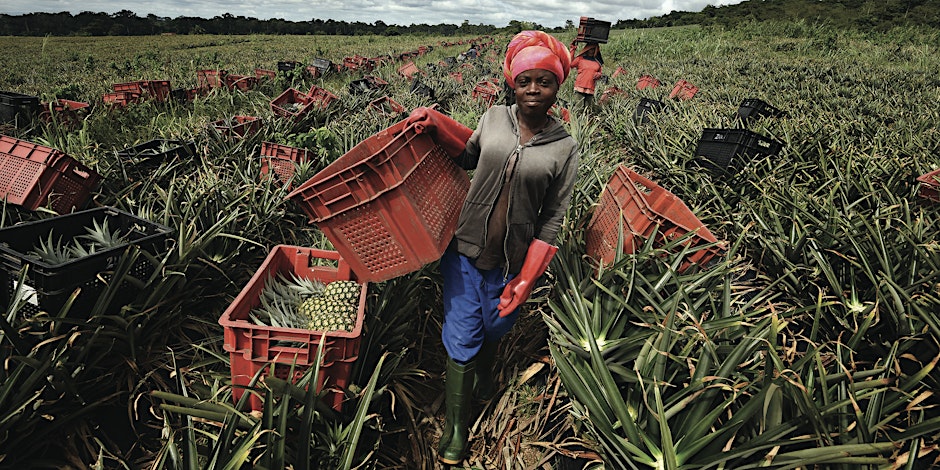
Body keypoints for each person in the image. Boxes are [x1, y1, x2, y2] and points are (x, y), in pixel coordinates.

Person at [406, 30, 579, 465]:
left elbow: (553, 219)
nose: (534, 89)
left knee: (495, 326)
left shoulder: (564, 147)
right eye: (525, 81)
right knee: (463, 333)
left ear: (558, 85)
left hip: (513, 260)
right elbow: (467, 156)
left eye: (545, 81)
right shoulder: (492, 118)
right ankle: (457, 427)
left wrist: (525, 280)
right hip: (464, 249)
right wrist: (435, 122)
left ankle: (485, 373)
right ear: (512, 83)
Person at [569, 42, 604, 106]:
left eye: (594, 49)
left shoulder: (598, 62)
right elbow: (570, 64)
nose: (592, 51)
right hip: (580, 86)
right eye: (590, 49)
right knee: (579, 107)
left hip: (590, 88)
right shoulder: (580, 59)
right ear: (587, 49)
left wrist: (599, 75)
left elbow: (600, 72)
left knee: (588, 109)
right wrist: (573, 49)